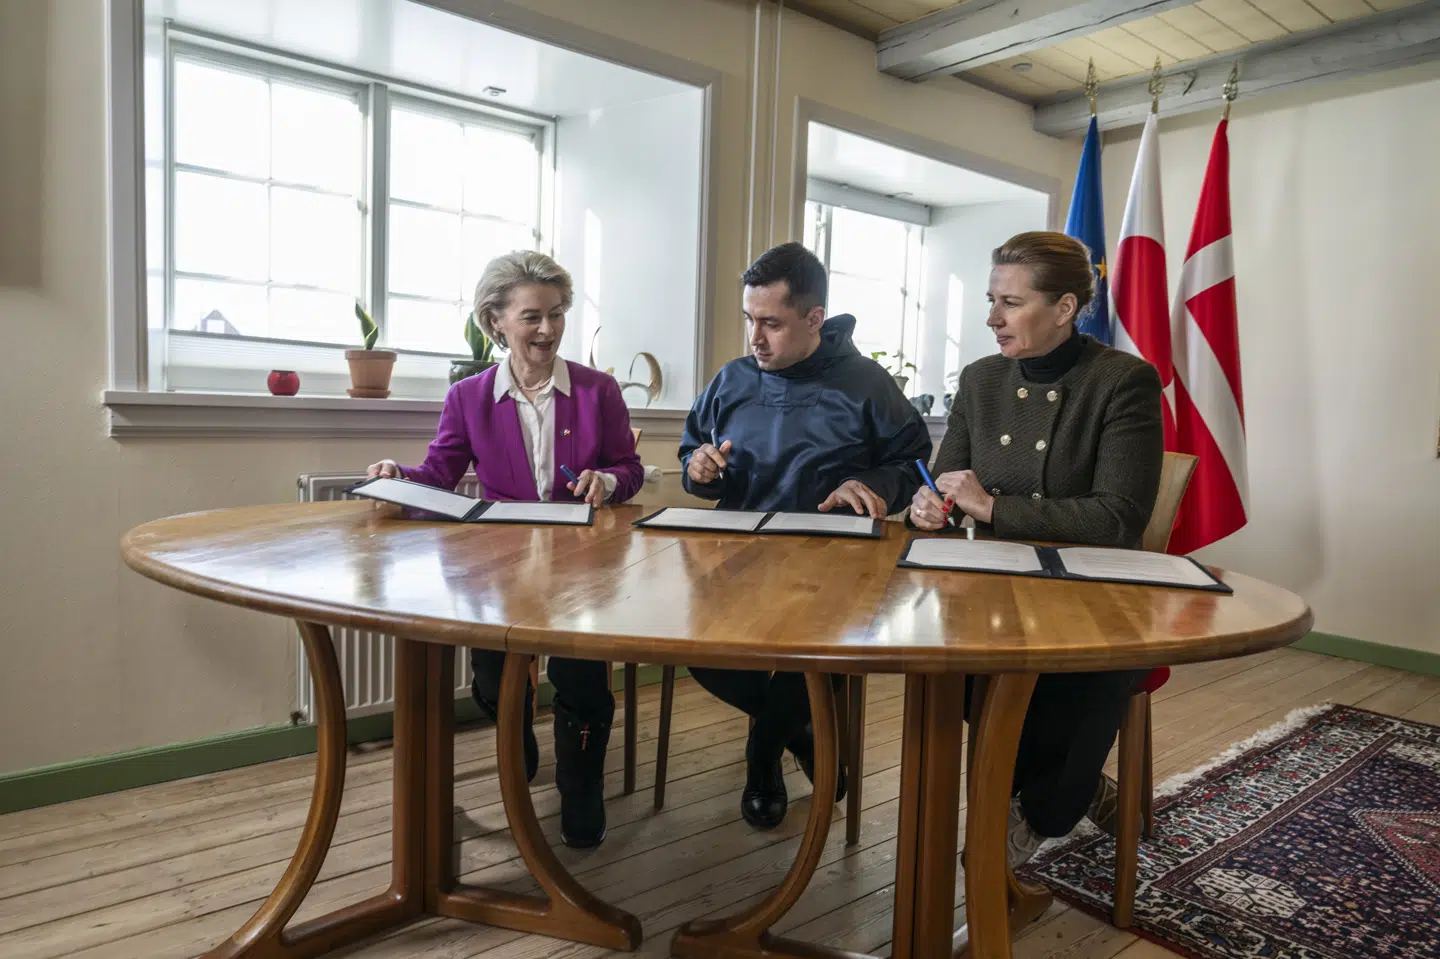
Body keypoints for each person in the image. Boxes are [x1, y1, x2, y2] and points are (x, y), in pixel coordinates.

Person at [366, 250, 643, 849]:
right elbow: (439, 475)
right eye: (531, 317)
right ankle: (516, 738)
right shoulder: (468, 397)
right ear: (496, 321)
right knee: (492, 683)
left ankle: (581, 789)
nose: (548, 330)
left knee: (584, 686)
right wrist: (395, 476)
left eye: (557, 314)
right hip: (498, 570)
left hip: (581, 568)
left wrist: (611, 481)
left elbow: (630, 467)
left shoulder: (598, 391)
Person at [909, 231, 1163, 867]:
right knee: (944, 672)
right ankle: (1064, 793)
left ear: (1067, 307)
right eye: (992, 300)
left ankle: (1048, 806)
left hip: (1095, 593)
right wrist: (928, 506)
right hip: (994, 587)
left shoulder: (1123, 380)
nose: (991, 318)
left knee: (1069, 682)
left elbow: (1120, 516)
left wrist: (993, 508)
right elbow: (949, 481)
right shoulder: (980, 379)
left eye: (1010, 303)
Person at [678, 241, 932, 830]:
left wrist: (867, 482)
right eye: (750, 320)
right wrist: (699, 468)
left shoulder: (867, 384)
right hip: (738, 560)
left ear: (814, 319)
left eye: (771, 323)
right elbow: (694, 449)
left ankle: (763, 754)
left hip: (834, 570)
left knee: (808, 660)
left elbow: (911, 463)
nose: (755, 338)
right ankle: (806, 734)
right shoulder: (732, 379)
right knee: (700, 656)